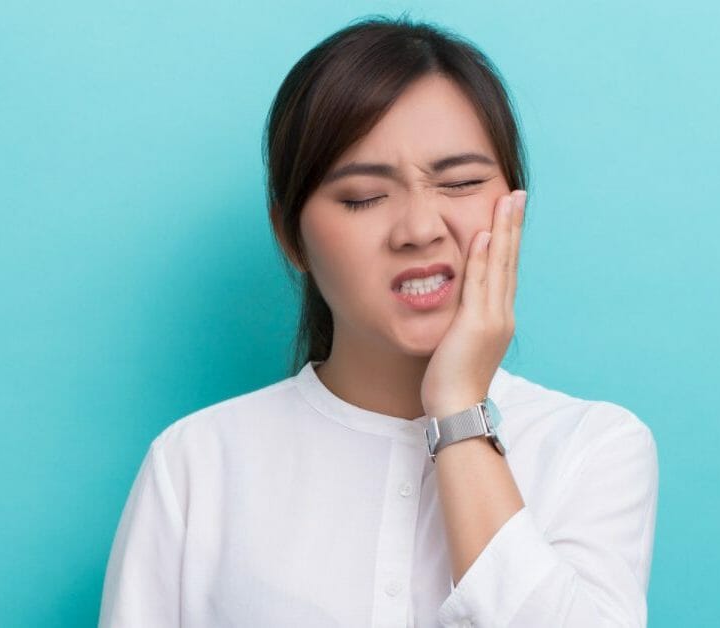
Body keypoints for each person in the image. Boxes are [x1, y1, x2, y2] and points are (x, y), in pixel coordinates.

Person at [98, 14, 658, 628]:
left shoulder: (590, 447)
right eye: (364, 196)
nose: (420, 229)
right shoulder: (196, 464)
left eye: (463, 182)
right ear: (291, 236)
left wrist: (458, 408)